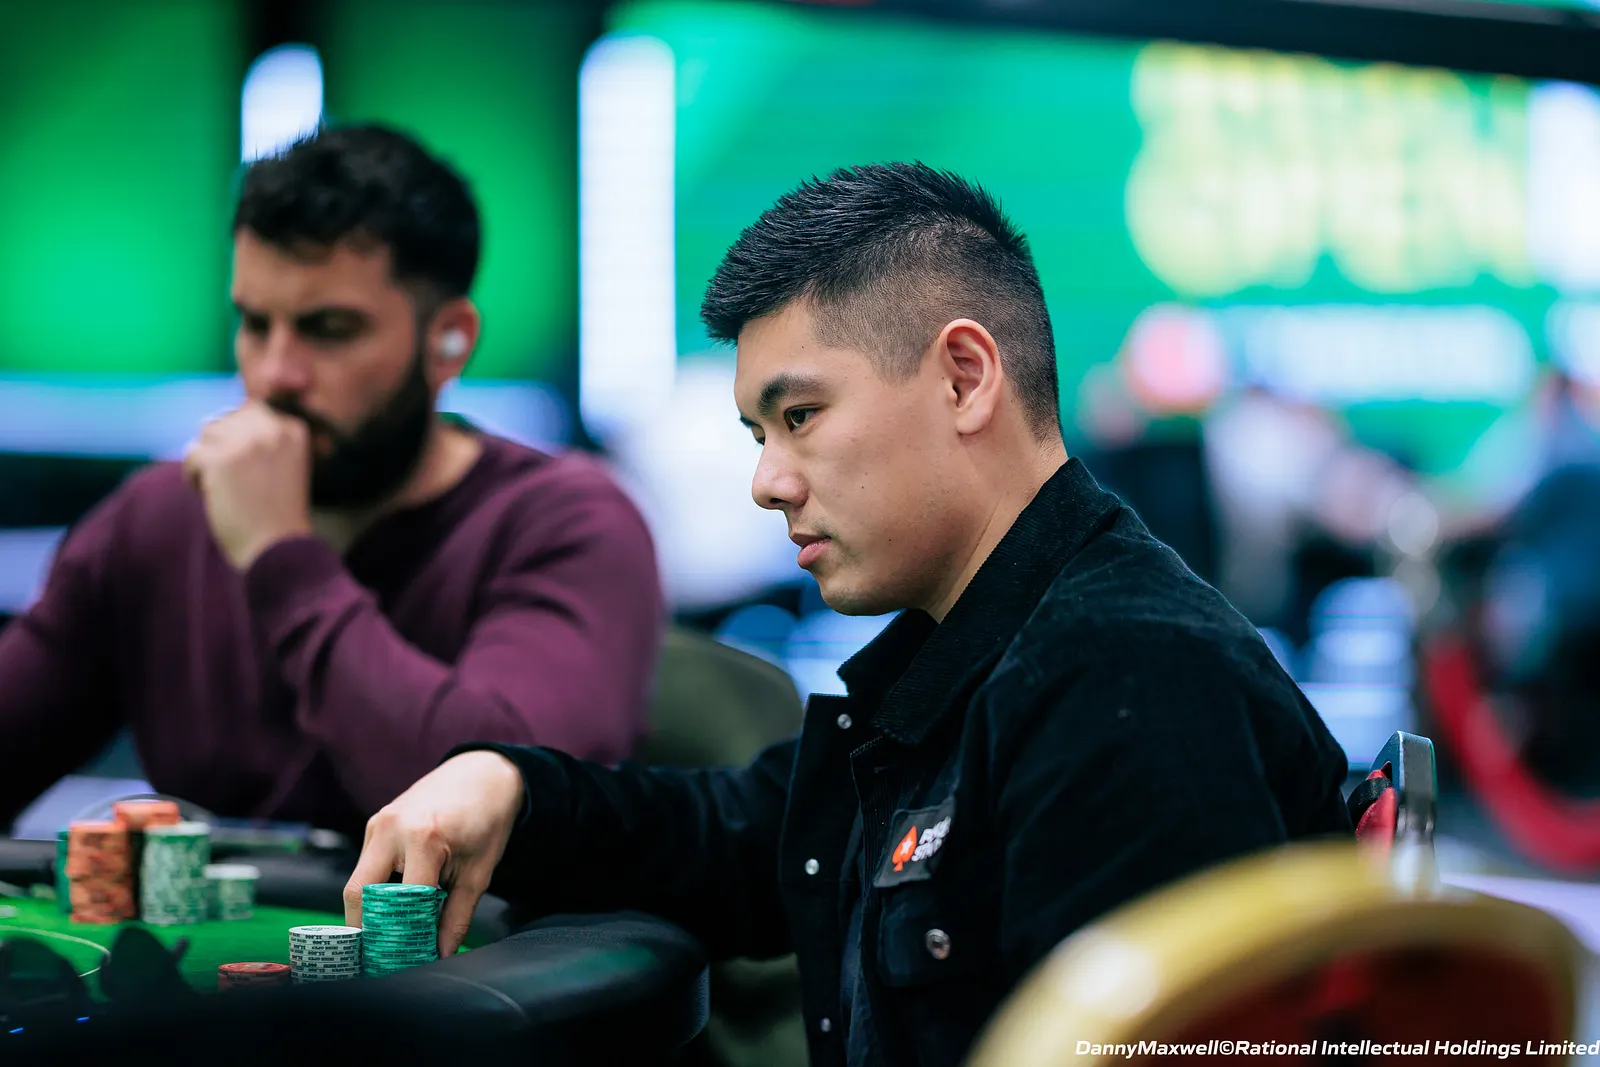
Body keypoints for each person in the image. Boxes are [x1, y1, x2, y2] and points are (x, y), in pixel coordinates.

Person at [347, 163, 1351, 1067]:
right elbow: (743, 835)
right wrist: (512, 787)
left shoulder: (1123, 678)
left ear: (964, 378)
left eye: (800, 416)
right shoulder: (973, 650)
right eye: (759, 433)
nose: (766, 481)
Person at [0, 124, 664, 837]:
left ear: (450, 342)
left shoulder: (568, 522)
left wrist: (280, 557)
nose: (275, 374)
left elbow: (495, 812)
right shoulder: (159, 518)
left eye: (329, 329)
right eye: (255, 324)